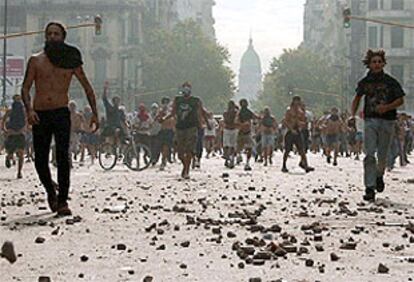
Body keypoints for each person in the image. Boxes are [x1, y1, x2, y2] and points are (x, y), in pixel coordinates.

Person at [21, 22, 99, 216]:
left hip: (61, 112)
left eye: (56, 34)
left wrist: (96, 113)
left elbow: (87, 87)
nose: (53, 37)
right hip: (40, 114)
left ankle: (63, 200)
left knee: (63, 157)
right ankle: (50, 190)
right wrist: (29, 110)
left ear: (63, 37)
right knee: (40, 159)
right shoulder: (36, 60)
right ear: (45, 37)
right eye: (49, 34)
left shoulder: (70, 59)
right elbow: (25, 87)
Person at [351, 49, 405, 202]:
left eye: (379, 62)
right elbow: (357, 98)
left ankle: (379, 175)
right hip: (370, 120)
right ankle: (369, 187)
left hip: (388, 121)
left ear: (383, 64)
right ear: (369, 64)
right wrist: (352, 115)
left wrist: (387, 107)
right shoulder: (364, 82)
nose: (377, 64)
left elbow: (400, 100)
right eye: (374, 62)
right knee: (369, 154)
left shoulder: (391, 81)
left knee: (383, 155)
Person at [166, 82, 206, 179]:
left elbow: (201, 112)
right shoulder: (178, 100)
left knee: (189, 150)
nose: (186, 90)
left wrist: (205, 123)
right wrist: (164, 118)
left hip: (192, 128)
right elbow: (173, 112)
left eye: (188, 88)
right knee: (179, 152)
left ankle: (186, 170)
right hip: (180, 128)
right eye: (184, 88)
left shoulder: (195, 100)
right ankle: (184, 165)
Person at [282, 96, 314, 173]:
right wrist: (291, 129)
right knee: (287, 150)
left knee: (302, 150)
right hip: (290, 132)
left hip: (298, 131)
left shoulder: (301, 112)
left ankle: (305, 165)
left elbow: (303, 121)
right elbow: (285, 121)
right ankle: (284, 165)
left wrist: (301, 124)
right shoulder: (289, 110)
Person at [2, 95, 27, 179]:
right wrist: (5, 130)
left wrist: (23, 129)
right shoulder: (10, 111)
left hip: (20, 134)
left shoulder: (24, 111)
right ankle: (8, 158)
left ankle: (19, 172)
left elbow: (27, 121)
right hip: (11, 134)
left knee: (21, 154)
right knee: (10, 153)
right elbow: (3, 121)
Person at [236, 99, 258, 171]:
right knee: (239, 148)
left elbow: (255, 117)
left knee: (249, 148)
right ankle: (238, 157)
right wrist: (243, 124)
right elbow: (237, 121)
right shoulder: (239, 113)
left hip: (247, 133)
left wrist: (258, 118)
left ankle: (247, 163)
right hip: (241, 132)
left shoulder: (248, 112)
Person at [156, 97, 175, 171]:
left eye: (167, 102)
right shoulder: (161, 111)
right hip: (163, 130)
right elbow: (158, 119)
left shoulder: (171, 111)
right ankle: (164, 159)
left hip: (170, 130)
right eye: (164, 102)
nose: (165, 104)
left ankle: (164, 160)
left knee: (167, 146)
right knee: (162, 146)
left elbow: (174, 119)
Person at [223, 101, 238, 168]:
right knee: (227, 145)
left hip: (233, 129)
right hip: (228, 129)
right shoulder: (226, 113)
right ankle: (227, 159)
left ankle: (231, 159)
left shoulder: (236, 113)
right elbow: (227, 121)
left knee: (232, 145)